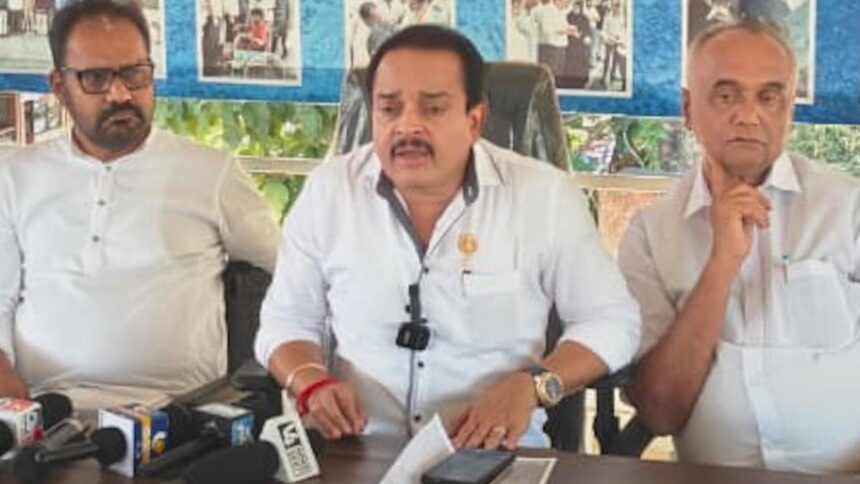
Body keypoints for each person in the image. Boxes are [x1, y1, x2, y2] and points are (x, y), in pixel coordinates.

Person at [255, 25, 640, 449]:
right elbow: (287, 320)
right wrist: (310, 380)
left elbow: (611, 322)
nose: (407, 126)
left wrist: (534, 387)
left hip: (493, 451)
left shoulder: (543, 197)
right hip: (357, 451)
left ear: (475, 121)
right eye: (389, 108)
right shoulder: (330, 191)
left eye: (433, 109)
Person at [0, 0, 279, 412]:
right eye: (96, 78)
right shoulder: (14, 176)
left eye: (134, 73)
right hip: (43, 413)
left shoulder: (211, 174)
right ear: (59, 87)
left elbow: (294, 276)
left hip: (178, 418)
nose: (120, 94)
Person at [619, 20, 860, 475]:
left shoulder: (847, 210)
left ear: (789, 110)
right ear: (688, 109)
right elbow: (660, 411)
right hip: (711, 476)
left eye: (768, 98)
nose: (748, 116)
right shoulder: (650, 234)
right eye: (726, 96)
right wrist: (722, 264)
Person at [558, 0, 592, 89]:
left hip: (580, 46)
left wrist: (582, 35)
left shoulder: (585, 18)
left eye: (577, 7)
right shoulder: (568, 16)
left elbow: (588, 31)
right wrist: (571, 33)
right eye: (574, 7)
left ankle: (580, 81)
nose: (575, 9)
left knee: (580, 64)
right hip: (570, 44)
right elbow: (564, 28)